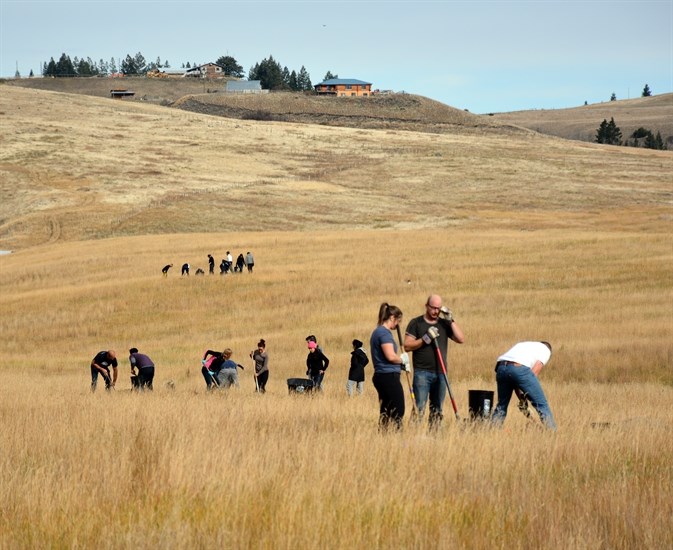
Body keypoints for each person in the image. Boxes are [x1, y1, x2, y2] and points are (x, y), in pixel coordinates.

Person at [404, 294, 465, 428]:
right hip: (422, 373)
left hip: (441, 373)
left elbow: (461, 339)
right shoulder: (416, 323)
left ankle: (435, 437)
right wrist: (424, 339)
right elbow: (407, 346)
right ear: (426, 306)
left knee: (437, 409)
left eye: (438, 309)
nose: (436, 311)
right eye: (433, 308)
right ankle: (414, 435)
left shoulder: (443, 324)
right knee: (419, 407)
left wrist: (450, 320)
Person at [491, 341, 556, 430]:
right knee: (542, 404)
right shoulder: (546, 350)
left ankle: (493, 431)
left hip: (501, 368)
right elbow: (533, 373)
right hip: (518, 368)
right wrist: (527, 395)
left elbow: (514, 379)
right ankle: (552, 433)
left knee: (502, 405)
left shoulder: (524, 345)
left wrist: (522, 398)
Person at [370, 303, 410, 431]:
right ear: (392, 317)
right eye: (398, 321)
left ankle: (384, 437)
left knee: (386, 410)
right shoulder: (384, 333)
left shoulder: (378, 332)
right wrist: (402, 360)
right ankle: (397, 436)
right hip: (388, 377)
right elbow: (390, 356)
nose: (397, 325)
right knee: (398, 409)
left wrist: (401, 365)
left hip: (382, 375)